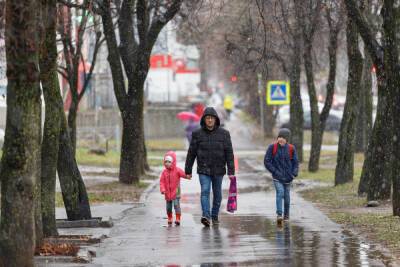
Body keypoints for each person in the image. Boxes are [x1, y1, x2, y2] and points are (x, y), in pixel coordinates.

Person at [185, 107, 235, 227]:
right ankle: (206, 216)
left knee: (217, 194)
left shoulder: (224, 134)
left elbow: (229, 153)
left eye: (212, 118)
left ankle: (214, 215)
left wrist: (231, 170)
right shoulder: (197, 134)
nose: (210, 120)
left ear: (216, 119)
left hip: (218, 169)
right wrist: (188, 170)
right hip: (203, 169)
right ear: (204, 120)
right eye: (208, 118)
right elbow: (191, 152)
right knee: (205, 191)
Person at [264, 128, 299, 225]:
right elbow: (267, 161)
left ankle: (286, 215)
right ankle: (279, 214)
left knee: (287, 196)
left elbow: (295, 162)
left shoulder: (291, 148)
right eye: (279, 137)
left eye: (283, 137)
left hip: (288, 177)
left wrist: (294, 173)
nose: (281, 139)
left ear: (287, 139)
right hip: (277, 177)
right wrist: (274, 171)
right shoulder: (272, 147)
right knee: (280, 193)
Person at [160, 151, 191, 226]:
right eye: (166, 161)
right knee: (168, 207)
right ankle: (170, 217)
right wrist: (162, 189)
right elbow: (162, 182)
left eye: (169, 162)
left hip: (176, 191)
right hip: (167, 193)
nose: (167, 163)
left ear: (173, 162)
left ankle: (178, 218)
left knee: (176, 205)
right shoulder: (164, 172)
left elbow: (183, 174)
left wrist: (187, 176)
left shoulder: (177, 170)